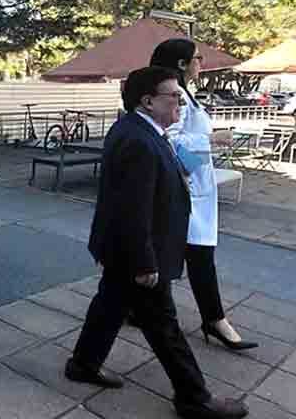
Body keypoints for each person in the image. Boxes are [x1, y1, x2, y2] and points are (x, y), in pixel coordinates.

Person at [64, 66, 247, 419]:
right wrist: (145, 263)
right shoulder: (139, 140)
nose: (180, 101)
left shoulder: (141, 130)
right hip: (138, 252)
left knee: (110, 305)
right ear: (147, 101)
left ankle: (83, 364)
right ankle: (194, 398)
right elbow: (133, 209)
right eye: (173, 96)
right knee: (164, 325)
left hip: (124, 248)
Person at [150, 39, 257, 351]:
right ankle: (215, 320)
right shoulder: (176, 95)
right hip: (187, 188)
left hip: (194, 185)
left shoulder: (185, 94)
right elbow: (168, 138)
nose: (202, 62)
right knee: (198, 255)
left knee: (181, 254)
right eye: (198, 57)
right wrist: (211, 139)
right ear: (183, 63)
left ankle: (210, 318)